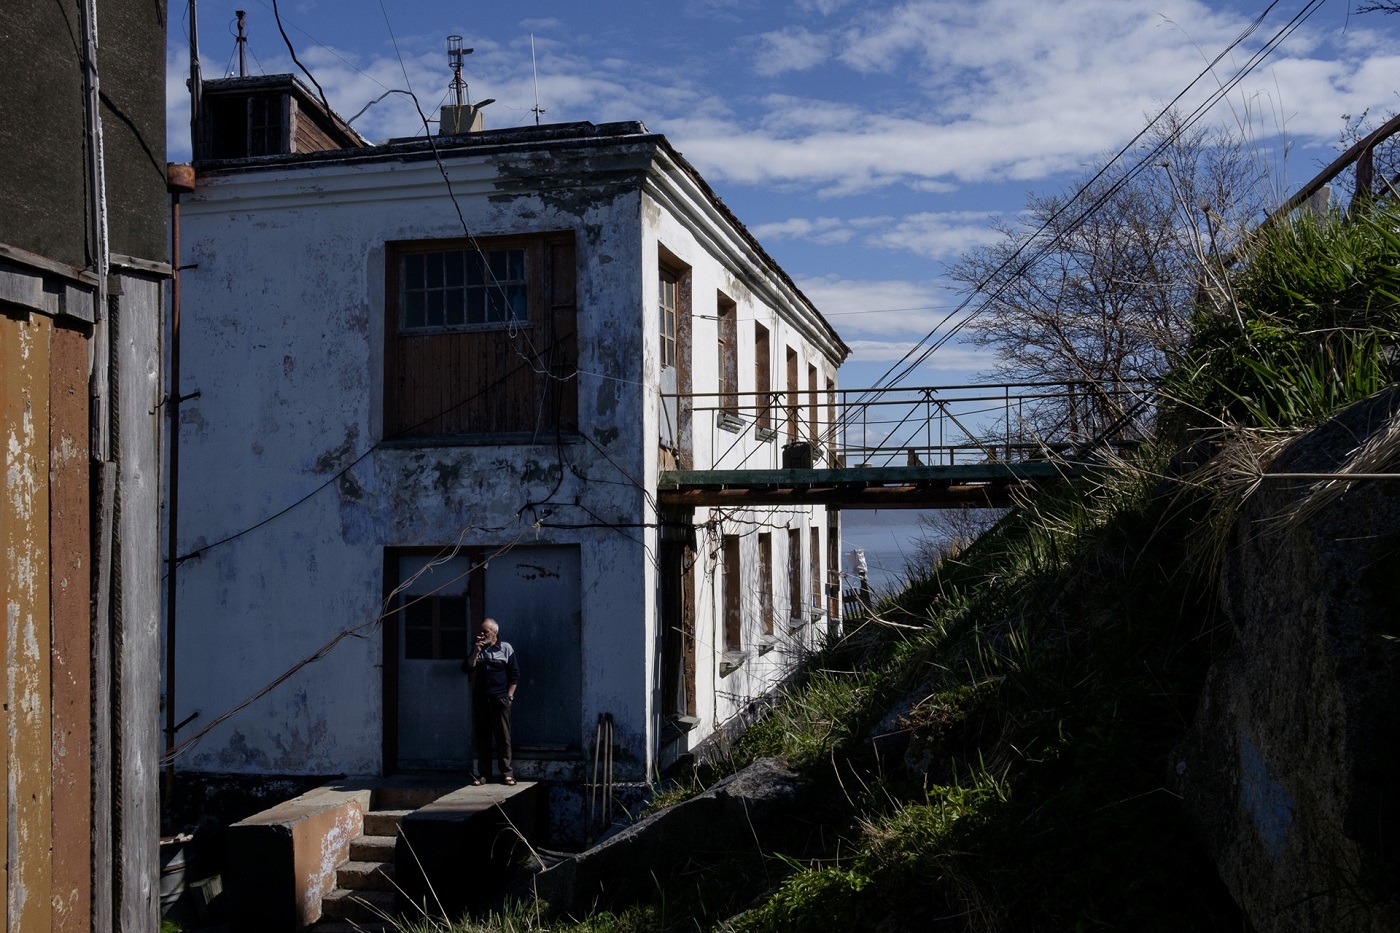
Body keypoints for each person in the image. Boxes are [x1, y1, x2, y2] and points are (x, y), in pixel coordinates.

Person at [465, 617, 519, 785]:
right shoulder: (478, 649)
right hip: (481, 699)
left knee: (503, 737)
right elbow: (467, 668)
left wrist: (509, 696)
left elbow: (515, 674)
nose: (481, 634)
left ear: (494, 632)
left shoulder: (505, 648)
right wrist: (475, 652)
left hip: (500, 699)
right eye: (480, 631)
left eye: (485, 632)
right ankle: (484, 775)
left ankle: (507, 773)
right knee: (482, 738)